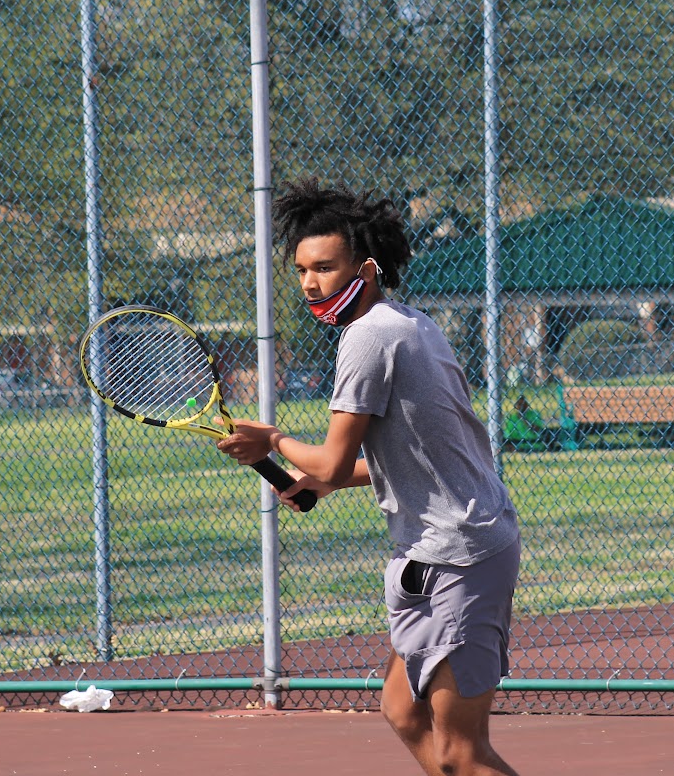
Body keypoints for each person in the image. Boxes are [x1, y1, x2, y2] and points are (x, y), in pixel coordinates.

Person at [217, 177, 522, 776]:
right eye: (302, 270)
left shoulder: (368, 338)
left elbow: (328, 458)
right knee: (404, 712)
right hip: (433, 552)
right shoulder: (408, 323)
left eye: (326, 268)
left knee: (463, 753)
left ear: (367, 266)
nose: (310, 283)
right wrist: (326, 484)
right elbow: (410, 453)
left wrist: (273, 440)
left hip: (459, 556)